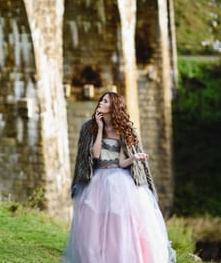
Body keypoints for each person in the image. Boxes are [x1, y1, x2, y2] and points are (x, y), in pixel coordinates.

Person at [62, 92, 176, 263]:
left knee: (119, 220)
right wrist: (100, 128)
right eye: (101, 99)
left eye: (105, 101)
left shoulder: (123, 131)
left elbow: (123, 163)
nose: (101, 102)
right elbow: (95, 154)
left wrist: (135, 158)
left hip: (119, 180)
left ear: (113, 106)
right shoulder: (91, 127)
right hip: (98, 180)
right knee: (95, 221)